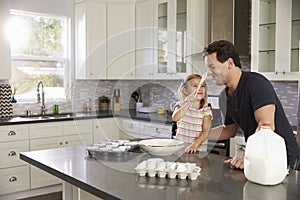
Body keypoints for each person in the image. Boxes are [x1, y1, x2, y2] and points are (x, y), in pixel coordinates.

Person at [204, 40, 300, 170]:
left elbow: (266, 126)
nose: (209, 73)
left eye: (212, 67)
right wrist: (200, 134)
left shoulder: (256, 84)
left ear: (230, 63)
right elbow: (229, 130)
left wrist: (248, 156)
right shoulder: (224, 97)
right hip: (260, 159)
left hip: (282, 159)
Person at [172, 73, 213, 153]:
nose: (200, 88)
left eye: (202, 86)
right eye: (195, 86)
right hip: (180, 148)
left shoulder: (206, 110)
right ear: (185, 90)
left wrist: (194, 145)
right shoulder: (180, 105)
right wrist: (187, 103)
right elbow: (175, 118)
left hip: (197, 149)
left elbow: (205, 131)